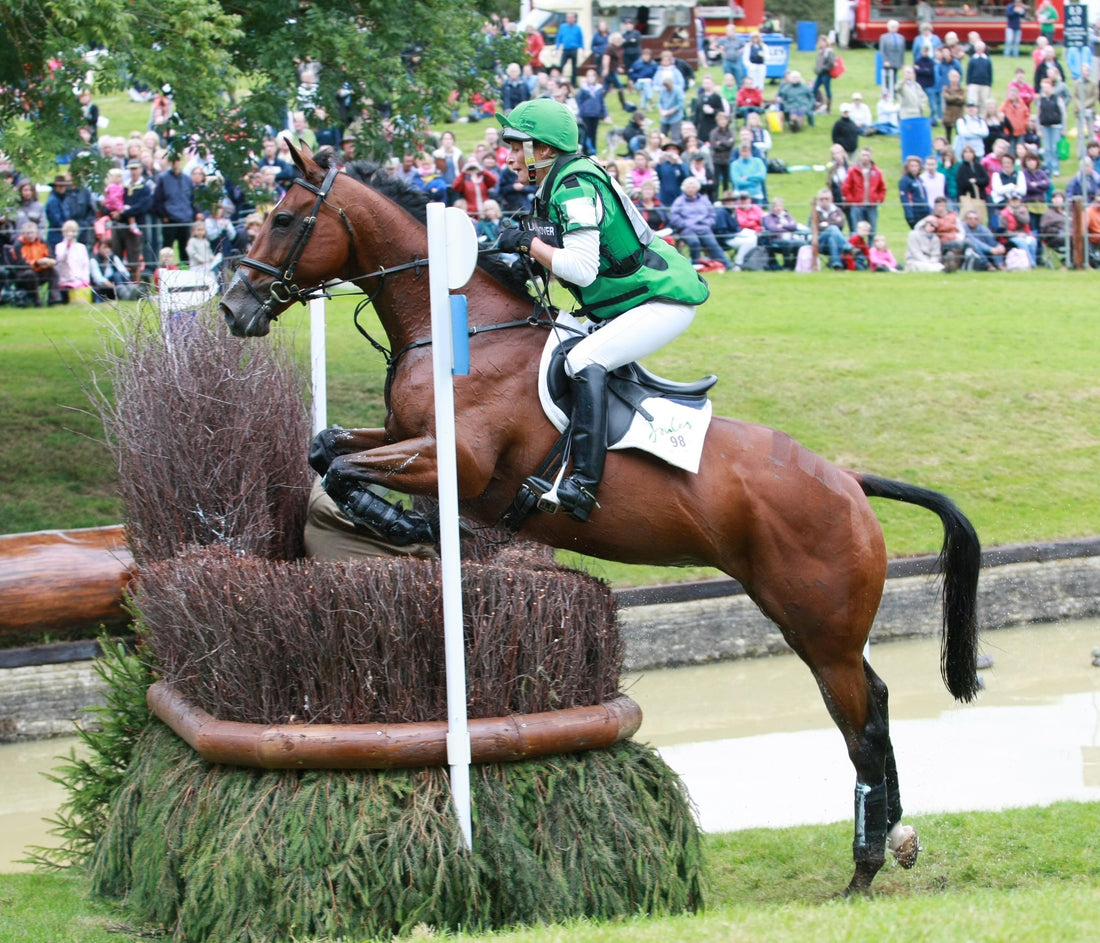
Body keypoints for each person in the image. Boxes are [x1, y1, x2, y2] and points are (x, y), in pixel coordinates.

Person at [495, 98, 710, 522]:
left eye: (516, 145)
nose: (509, 156)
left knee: (582, 359)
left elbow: (581, 268)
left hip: (661, 300)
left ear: (543, 149)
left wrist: (528, 244)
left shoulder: (574, 187)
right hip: (629, 302)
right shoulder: (555, 186)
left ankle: (583, 486)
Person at [670, 176, 735, 271]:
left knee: (712, 244)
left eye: (693, 187)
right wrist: (686, 225)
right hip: (687, 229)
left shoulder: (704, 200)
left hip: (704, 228)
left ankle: (727, 265)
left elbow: (712, 214)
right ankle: (694, 266)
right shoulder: (679, 202)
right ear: (684, 188)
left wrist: (708, 224)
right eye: (689, 187)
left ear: (697, 188)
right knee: (694, 242)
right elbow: (675, 218)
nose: (691, 189)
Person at [152, 155, 194, 264]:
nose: (175, 163)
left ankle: (185, 273)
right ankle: (166, 272)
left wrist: (192, 214)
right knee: (167, 249)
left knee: (185, 250)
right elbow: (158, 200)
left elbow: (192, 198)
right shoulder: (163, 178)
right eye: (173, 160)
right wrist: (164, 216)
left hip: (185, 219)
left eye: (177, 160)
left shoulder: (187, 179)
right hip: (170, 219)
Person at [11, 221, 60, 305]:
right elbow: (21, 263)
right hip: (24, 274)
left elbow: (51, 255)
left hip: (41, 270)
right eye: (27, 233)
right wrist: (36, 263)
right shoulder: (18, 245)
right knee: (30, 274)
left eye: (32, 233)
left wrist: (49, 261)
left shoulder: (43, 242)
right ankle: (37, 300)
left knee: (54, 272)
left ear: (36, 233)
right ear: (23, 234)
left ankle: (54, 300)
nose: (30, 235)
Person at [841, 145, 887, 234]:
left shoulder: (877, 172)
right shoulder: (853, 171)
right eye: (863, 155)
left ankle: (870, 247)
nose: (865, 158)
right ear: (860, 156)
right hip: (857, 205)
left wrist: (879, 198)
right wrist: (851, 200)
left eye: (867, 155)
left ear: (871, 156)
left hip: (872, 206)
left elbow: (882, 188)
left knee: (872, 231)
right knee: (856, 230)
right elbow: (845, 187)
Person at [809, 188, 850, 269]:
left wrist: (825, 224)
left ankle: (836, 264)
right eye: (822, 199)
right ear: (818, 200)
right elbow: (814, 227)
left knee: (832, 238)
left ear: (831, 199)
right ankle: (848, 247)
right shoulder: (815, 211)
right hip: (820, 241)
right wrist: (830, 225)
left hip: (835, 240)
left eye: (826, 199)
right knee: (833, 228)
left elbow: (841, 223)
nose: (824, 201)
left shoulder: (837, 210)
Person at [54, 219, 91, 298]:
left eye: (73, 231)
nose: (70, 234)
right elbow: (60, 260)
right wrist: (67, 247)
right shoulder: (59, 246)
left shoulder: (81, 247)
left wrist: (85, 280)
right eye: (67, 231)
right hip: (64, 280)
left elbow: (85, 265)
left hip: (80, 279)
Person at [1036, 79, 1065, 176]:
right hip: (1045, 126)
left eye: (1047, 88)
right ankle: (1048, 167)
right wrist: (1038, 128)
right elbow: (1038, 114)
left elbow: (1063, 113)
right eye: (1044, 88)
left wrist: (1064, 127)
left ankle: (1055, 167)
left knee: (1054, 147)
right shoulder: (1041, 100)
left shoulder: (1057, 98)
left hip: (1056, 126)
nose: (1046, 90)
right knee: (1047, 148)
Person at [899, 155, 931, 228]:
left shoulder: (920, 180)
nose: (914, 168)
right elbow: (905, 199)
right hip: (915, 213)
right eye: (912, 166)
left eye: (916, 166)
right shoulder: (905, 181)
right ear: (907, 167)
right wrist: (909, 215)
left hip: (925, 211)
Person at [879, 20, 906, 98]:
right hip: (888, 61)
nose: (893, 28)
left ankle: (894, 93)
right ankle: (886, 93)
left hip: (897, 61)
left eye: (895, 27)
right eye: (892, 27)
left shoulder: (901, 38)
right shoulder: (884, 37)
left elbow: (902, 52)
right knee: (888, 78)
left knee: (894, 77)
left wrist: (902, 63)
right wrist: (885, 61)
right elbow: (882, 50)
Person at [555, 11, 584, 83]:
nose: (570, 19)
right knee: (561, 65)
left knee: (574, 67)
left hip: (574, 49)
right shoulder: (563, 27)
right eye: (568, 17)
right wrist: (557, 48)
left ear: (574, 18)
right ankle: (558, 80)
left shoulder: (578, 28)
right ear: (566, 19)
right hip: (565, 49)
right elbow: (559, 38)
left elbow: (581, 39)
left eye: (571, 17)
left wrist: (582, 49)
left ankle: (574, 83)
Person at [812, 35, 837, 116]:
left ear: (826, 42)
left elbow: (831, 63)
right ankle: (816, 105)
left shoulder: (829, 51)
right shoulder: (820, 51)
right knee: (814, 89)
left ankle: (828, 109)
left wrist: (823, 68)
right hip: (820, 74)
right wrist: (816, 69)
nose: (820, 43)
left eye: (822, 41)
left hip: (826, 74)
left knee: (827, 91)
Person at [965, 42, 993, 110]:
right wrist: (968, 83)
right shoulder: (972, 59)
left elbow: (990, 73)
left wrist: (989, 84)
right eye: (978, 47)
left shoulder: (987, 60)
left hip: (985, 84)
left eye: (980, 47)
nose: (979, 49)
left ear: (984, 49)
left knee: (984, 103)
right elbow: (969, 72)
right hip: (974, 84)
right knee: (974, 102)